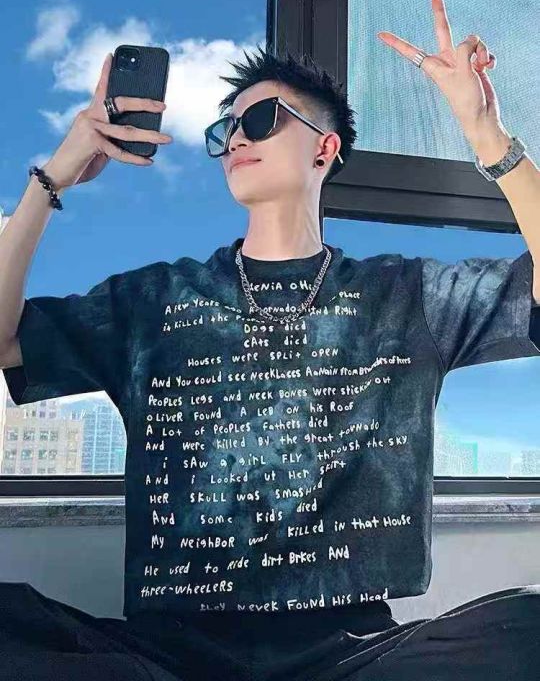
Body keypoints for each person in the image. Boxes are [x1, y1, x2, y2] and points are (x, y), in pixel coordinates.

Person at [0, 43, 539, 681]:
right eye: (223, 131)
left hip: (350, 653)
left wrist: (489, 138)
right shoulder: (153, 300)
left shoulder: (406, 295)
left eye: (259, 121)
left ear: (324, 148)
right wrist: (51, 179)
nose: (234, 140)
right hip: (170, 655)